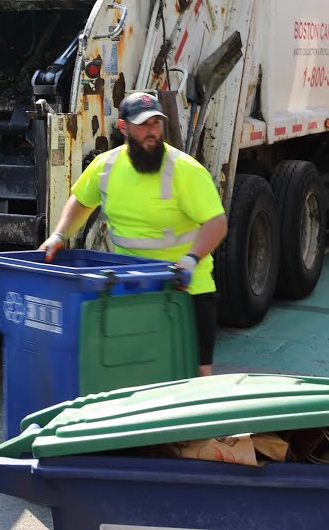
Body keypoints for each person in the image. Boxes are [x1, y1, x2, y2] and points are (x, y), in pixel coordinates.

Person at [39, 91, 228, 376]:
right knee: (137, 373)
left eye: (156, 123)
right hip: (133, 288)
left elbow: (216, 222)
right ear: (124, 127)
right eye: (143, 125)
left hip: (185, 289)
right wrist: (59, 236)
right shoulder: (106, 167)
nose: (152, 132)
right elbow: (81, 200)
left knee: (195, 376)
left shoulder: (185, 170)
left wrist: (191, 259)